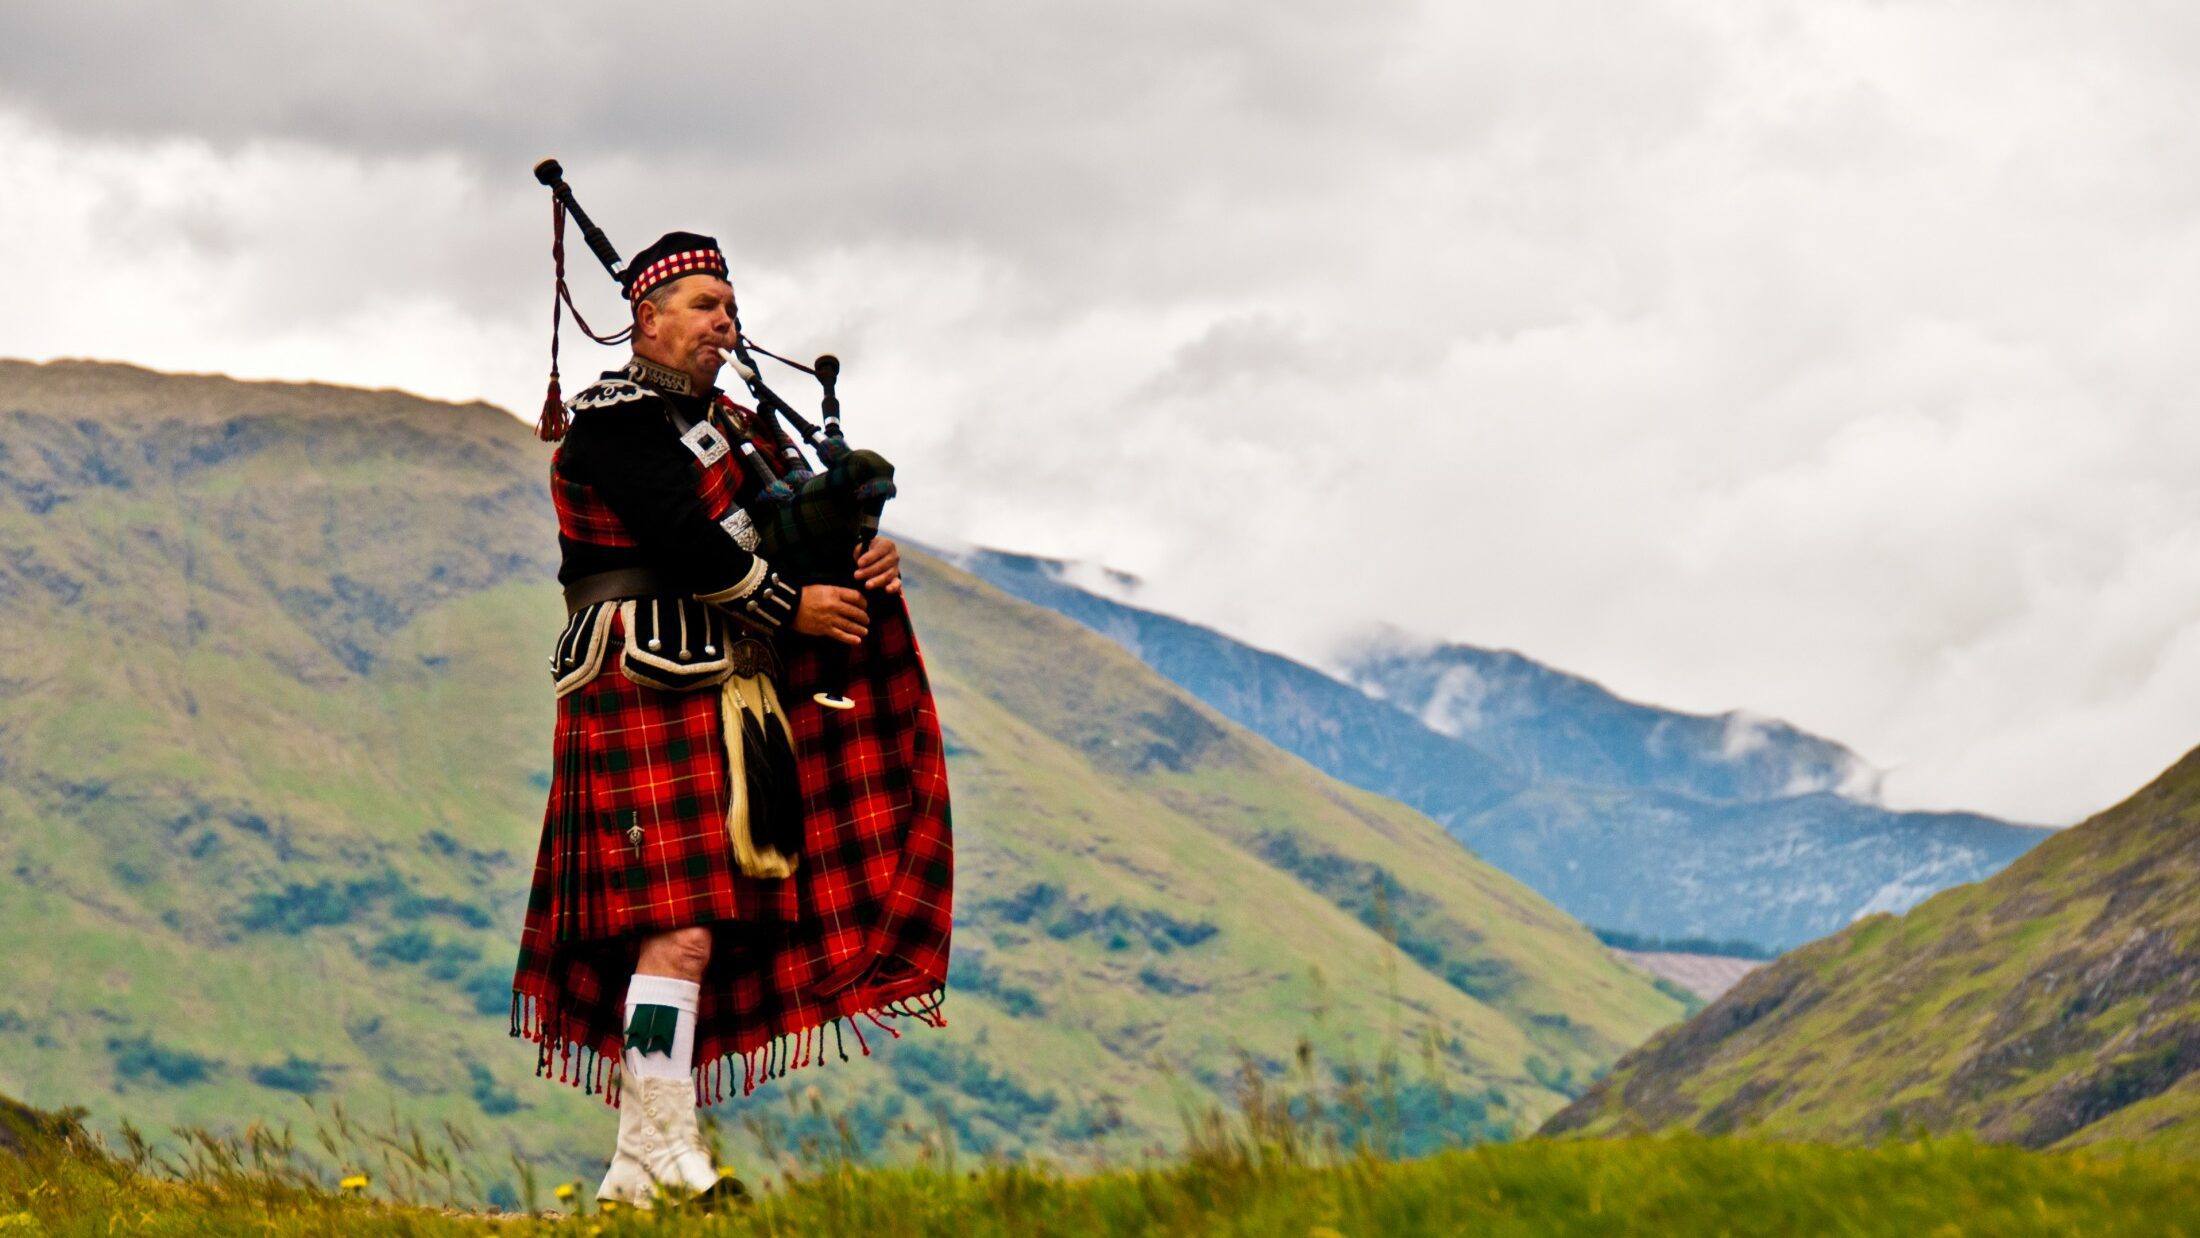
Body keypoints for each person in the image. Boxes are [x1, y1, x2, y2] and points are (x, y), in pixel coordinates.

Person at [510, 231, 953, 1210]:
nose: (724, 322)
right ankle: (670, 1152)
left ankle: (643, 1158)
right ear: (647, 316)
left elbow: (789, 523)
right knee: (677, 931)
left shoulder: (734, 430)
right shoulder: (616, 424)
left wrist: (857, 559)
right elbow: (687, 540)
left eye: (728, 304)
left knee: (687, 933)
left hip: (715, 685)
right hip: (638, 673)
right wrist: (792, 606)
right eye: (705, 303)